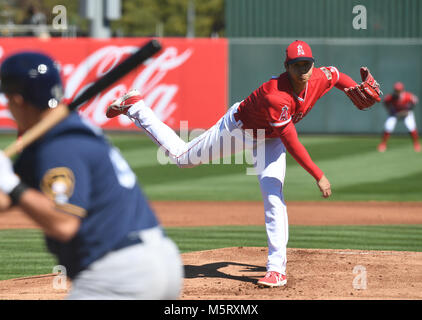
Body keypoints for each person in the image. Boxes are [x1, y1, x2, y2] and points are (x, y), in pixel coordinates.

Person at [106, 40, 381, 287]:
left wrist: (351, 89)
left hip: (269, 137)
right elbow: (291, 141)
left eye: (307, 64)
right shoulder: (276, 95)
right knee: (182, 159)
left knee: (273, 194)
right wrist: (318, 174)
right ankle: (136, 106)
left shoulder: (318, 76)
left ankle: (276, 270)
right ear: (287, 67)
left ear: (312, 64)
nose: (303, 70)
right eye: (296, 65)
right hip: (240, 130)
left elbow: (336, 75)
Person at [0, 51, 183, 299]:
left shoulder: (60, 145)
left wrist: (10, 183)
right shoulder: (63, 131)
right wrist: (9, 184)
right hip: (156, 261)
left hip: (120, 273)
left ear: (18, 100)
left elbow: (64, 224)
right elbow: (6, 200)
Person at [377, 82, 420, 152]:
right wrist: (391, 111)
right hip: (395, 114)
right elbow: (385, 103)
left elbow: (415, 101)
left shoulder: (407, 96)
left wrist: (408, 110)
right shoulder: (390, 97)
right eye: (396, 90)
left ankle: (416, 144)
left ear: (402, 90)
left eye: (399, 90)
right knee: (388, 126)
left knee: (411, 126)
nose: (397, 92)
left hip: (406, 114)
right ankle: (383, 144)